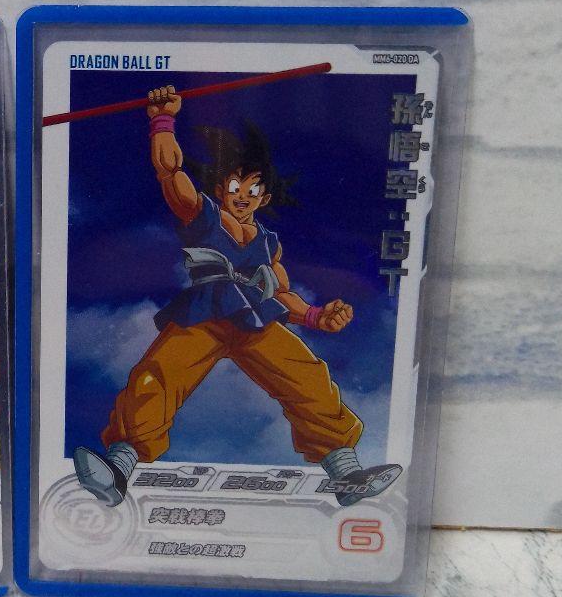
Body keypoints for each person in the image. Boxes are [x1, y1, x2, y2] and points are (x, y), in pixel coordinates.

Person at [73, 86, 402, 508]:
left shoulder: (268, 243)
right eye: (234, 184)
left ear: (264, 197)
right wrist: (163, 122)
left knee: (307, 377)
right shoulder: (204, 215)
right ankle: (118, 467)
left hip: (255, 321)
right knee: (157, 377)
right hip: (204, 316)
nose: (242, 194)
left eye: (253, 188)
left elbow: (282, 293)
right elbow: (171, 172)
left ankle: (345, 473)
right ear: (221, 188)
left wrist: (317, 316)